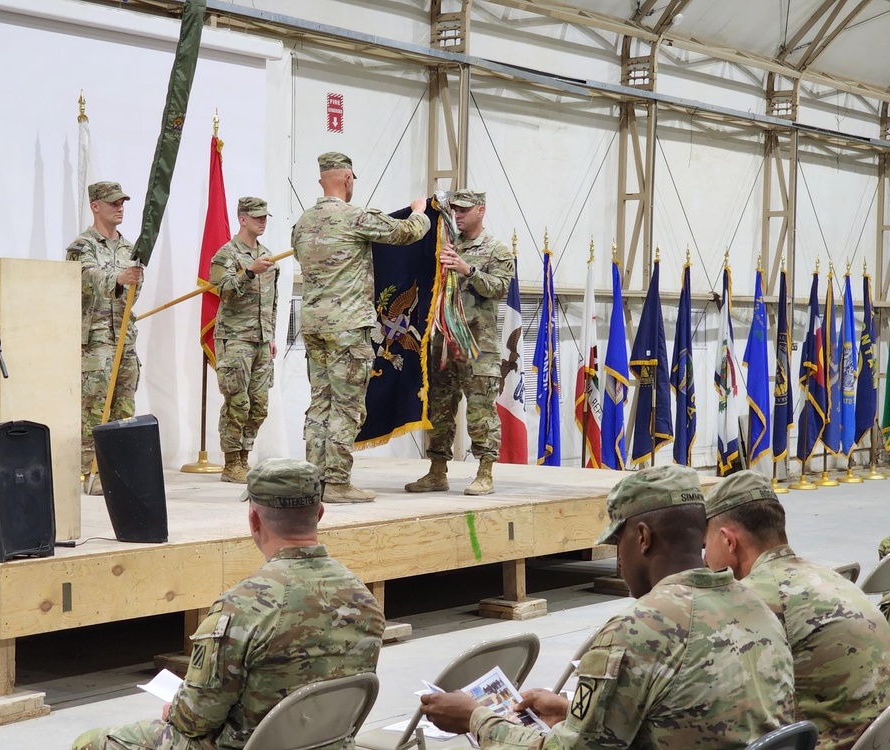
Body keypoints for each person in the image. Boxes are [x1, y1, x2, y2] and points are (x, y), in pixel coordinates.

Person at [420, 465, 795, 750]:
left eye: (619, 544)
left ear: (643, 538)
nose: (620, 557)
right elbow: (690, 712)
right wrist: (570, 710)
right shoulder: (758, 605)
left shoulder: (636, 630)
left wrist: (475, 718)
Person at [70, 458, 386, 750]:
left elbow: (193, 721)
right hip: (326, 744)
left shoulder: (241, 608)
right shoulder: (365, 600)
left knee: (91, 742)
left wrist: (175, 710)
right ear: (319, 514)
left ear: (253, 519)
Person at [703, 470, 890, 750]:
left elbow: (718, 702)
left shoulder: (751, 598)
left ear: (729, 541)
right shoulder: (829, 577)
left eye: (705, 545)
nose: (705, 558)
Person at [291, 151, 430, 503]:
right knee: (348, 406)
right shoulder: (355, 217)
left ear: (321, 180)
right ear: (348, 179)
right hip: (348, 327)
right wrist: (419, 212)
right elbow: (406, 233)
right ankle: (337, 482)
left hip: (313, 326)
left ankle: (315, 481)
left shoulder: (303, 223)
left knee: (319, 404)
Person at [405, 189, 514, 496]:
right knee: (438, 409)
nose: (458, 214)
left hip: (477, 345)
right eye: (454, 209)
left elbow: (499, 287)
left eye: (465, 209)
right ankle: (437, 470)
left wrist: (467, 269)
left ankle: (485, 472)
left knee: (480, 411)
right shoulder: (443, 244)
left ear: (481, 210)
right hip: (442, 343)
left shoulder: (496, 249)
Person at [66, 181, 143, 495]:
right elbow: (86, 278)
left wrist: (130, 283)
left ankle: (119, 470)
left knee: (124, 407)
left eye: (122, 202)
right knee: (95, 407)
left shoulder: (129, 248)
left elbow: (134, 294)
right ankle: (90, 471)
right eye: (113, 203)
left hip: (125, 338)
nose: (120, 207)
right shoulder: (82, 246)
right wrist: (119, 278)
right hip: (95, 339)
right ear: (95, 206)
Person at [210, 197, 278, 484]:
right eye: (257, 216)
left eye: (265, 216)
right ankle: (230, 462)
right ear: (242, 219)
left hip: (261, 339)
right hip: (235, 338)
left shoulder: (268, 255)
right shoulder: (227, 254)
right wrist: (249, 272)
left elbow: (272, 301)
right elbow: (221, 289)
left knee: (259, 404)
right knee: (238, 402)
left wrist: (271, 334)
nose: (262, 221)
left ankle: (243, 457)